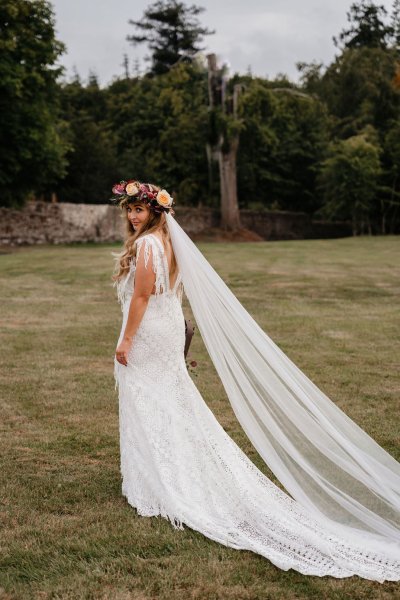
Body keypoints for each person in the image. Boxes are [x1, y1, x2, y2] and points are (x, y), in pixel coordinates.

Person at [112, 179, 400, 582]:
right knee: (167, 400)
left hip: (149, 332)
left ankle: (163, 478)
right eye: (128, 209)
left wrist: (126, 339)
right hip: (168, 325)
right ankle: (161, 466)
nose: (132, 215)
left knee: (151, 398)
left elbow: (141, 297)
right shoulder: (170, 242)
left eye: (138, 209)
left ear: (156, 211)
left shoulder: (147, 245)